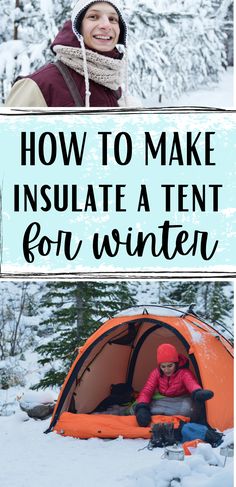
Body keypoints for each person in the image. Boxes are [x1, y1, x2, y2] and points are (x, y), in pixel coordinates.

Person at [5, 0, 129, 107]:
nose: (106, 25)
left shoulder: (114, 86)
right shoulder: (39, 86)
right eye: (93, 17)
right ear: (77, 27)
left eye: (112, 19)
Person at [135, 343, 214, 427]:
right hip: (164, 399)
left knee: (187, 408)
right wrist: (142, 407)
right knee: (139, 406)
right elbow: (147, 390)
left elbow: (192, 383)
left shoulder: (184, 372)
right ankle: (168, 413)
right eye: (163, 366)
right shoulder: (156, 373)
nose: (166, 370)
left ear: (175, 363)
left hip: (181, 399)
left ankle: (162, 413)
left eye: (170, 366)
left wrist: (197, 392)